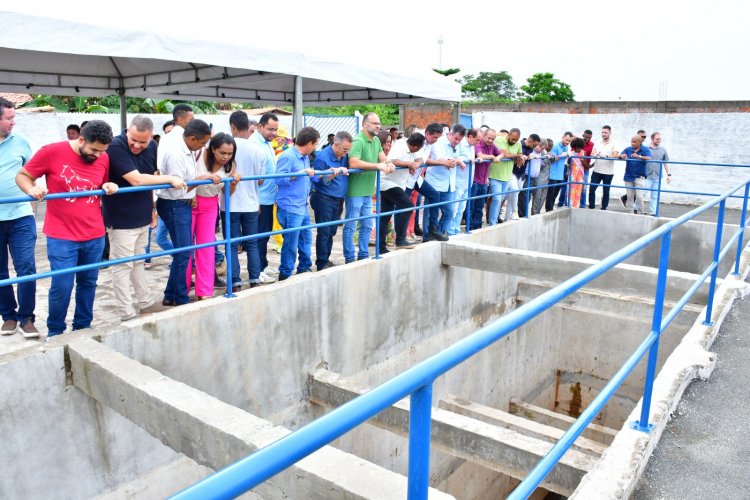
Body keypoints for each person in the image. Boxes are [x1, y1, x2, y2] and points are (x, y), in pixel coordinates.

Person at [16, 120, 119, 337]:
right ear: (81, 139)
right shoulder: (51, 151)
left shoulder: (103, 157)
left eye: (102, 151)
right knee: (62, 286)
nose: (98, 155)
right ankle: (56, 332)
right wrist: (32, 189)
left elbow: (102, 183)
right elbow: (23, 175)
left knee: (88, 283)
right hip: (62, 236)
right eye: (93, 150)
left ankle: (83, 327)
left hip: (94, 234)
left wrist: (108, 186)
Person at [103, 116, 185, 321]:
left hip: (142, 214)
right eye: (134, 140)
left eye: (143, 141)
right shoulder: (115, 146)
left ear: (151, 137)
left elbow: (150, 176)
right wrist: (170, 178)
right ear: (127, 132)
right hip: (121, 217)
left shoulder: (153, 147)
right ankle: (125, 311)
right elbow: (137, 179)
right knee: (122, 265)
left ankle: (145, 302)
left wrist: (152, 210)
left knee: (139, 261)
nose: (137, 145)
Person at [156, 119, 213, 306]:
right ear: (192, 138)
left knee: (183, 252)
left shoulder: (188, 150)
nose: (203, 146)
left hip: (180, 203)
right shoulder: (176, 153)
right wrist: (201, 179)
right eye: (202, 142)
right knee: (184, 252)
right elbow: (177, 187)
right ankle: (179, 296)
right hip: (175, 203)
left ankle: (171, 294)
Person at [0, 97, 38, 338]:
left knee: (26, 267)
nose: (14, 122)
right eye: (9, 118)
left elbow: (30, 173)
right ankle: (8, 315)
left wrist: (31, 194)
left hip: (21, 216)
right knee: (0, 271)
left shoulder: (20, 142)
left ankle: (27, 317)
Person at [188, 132, 238, 299]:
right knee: (186, 247)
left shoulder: (231, 166)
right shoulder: (198, 154)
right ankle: (183, 288)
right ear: (212, 149)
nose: (226, 157)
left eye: (230, 154)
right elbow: (186, 177)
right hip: (190, 202)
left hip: (210, 205)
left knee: (207, 248)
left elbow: (226, 192)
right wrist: (193, 192)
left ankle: (204, 291)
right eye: (222, 153)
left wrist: (233, 183)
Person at [344, 112, 395, 263]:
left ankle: (363, 254)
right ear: (365, 124)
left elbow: (383, 158)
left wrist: (389, 163)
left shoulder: (376, 141)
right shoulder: (358, 141)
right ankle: (349, 257)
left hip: (368, 190)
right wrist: (377, 166)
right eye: (375, 123)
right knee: (351, 225)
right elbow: (353, 162)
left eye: (379, 123)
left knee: (367, 224)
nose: (378, 126)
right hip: (355, 191)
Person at [224, 111, 264, 292]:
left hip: (229, 204)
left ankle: (235, 282)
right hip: (251, 203)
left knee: (231, 245)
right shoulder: (258, 149)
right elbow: (261, 180)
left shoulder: (226, 147)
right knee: (252, 243)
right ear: (248, 127)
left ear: (233, 126)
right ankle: (255, 279)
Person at [274, 127, 320, 280]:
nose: (315, 148)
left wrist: (330, 172)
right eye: (315, 144)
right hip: (290, 206)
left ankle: (304, 267)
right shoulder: (287, 156)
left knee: (306, 239)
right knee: (291, 243)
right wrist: (299, 174)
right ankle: (285, 273)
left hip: (302, 206)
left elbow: (309, 176)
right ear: (308, 143)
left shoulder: (305, 157)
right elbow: (279, 179)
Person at [311, 131, 351, 270]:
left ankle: (326, 258)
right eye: (345, 149)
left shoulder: (343, 155)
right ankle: (321, 262)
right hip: (324, 198)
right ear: (336, 144)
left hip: (338, 199)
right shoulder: (322, 157)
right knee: (324, 231)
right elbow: (318, 181)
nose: (346, 153)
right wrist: (333, 174)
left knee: (332, 230)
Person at [380, 132, 425, 252]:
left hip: (398, 184)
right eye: (420, 148)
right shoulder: (400, 146)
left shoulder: (414, 149)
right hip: (387, 182)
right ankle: (400, 240)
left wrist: (416, 164)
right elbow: (392, 160)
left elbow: (421, 158)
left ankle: (381, 247)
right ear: (415, 146)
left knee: (385, 215)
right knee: (408, 206)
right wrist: (408, 164)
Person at [251, 113, 279, 283]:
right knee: (259, 237)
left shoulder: (267, 143)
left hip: (268, 197)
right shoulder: (255, 145)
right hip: (259, 199)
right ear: (260, 127)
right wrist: (256, 201)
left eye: (275, 130)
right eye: (270, 129)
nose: (273, 133)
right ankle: (258, 270)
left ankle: (263, 264)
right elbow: (253, 176)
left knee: (265, 234)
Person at [404, 123, 444, 242]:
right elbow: (420, 158)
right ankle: (401, 236)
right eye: (435, 138)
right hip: (406, 178)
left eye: (438, 138)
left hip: (417, 178)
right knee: (404, 206)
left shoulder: (431, 142)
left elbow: (435, 157)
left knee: (434, 195)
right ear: (427, 134)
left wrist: (446, 161)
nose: (436, 140)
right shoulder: (418, 139)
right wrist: (441, 162)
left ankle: (433, 229)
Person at [426, 124, 466, 235]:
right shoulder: (439, 142)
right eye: (456, 138)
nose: (457, 141)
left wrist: (458, 160)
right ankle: (427, 235)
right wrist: (456, 161)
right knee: (430, 212)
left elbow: (462, 156)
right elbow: (441, 158)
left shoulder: (458, 145)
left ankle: (440, 233)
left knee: (449, 212)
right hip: (435, 182)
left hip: (449, 184)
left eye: (460, 139)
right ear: (450, 134)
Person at [448, 128, 482, 234]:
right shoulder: (460, 144)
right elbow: (455, 156)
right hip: (459, 181)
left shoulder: (472, 146)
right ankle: (450, 229)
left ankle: (456, 228)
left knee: (461, 208)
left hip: (467, 182)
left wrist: (477, 158)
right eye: (477, 140)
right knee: (454, 207)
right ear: (470, 136)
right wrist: (466, 159)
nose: (478, 143)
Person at [489, 128, 522, 224]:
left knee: (500, 200)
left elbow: (520, 154)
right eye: (513, 139)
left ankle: (494, 220)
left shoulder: (518, 144)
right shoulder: (499, 139)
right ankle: (492, 223)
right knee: (496, 199)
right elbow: (504, 154)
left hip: (507, 176)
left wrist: (521, 157)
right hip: (495, 175)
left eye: (516, 140)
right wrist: (517, 156)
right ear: (509, 135)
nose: (514, 141)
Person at [471, 128, 502, 229]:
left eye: (493, 139)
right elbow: (480, 155)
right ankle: (470, 227)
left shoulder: (492, 146)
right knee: (471, 206)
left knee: (480, 207)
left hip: (484, 181)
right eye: (489, 138)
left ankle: (477, 227)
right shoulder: (478, 144)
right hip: (474, 181)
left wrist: (498, 157)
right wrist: (493, 157)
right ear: (484, 135)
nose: (490, 140)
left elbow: (501, 154)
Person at [619, 135, 652, 214]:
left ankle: (641, 213)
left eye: (634, 142)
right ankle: (630, 212)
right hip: (628, 176)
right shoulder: (628, 149)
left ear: (640, 142)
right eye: (631, 141)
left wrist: (639, 156)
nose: (632, 143)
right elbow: (619, 155)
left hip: (639, 177)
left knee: (639, 196)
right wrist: (621, 156)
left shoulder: (644, 149)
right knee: (630, 196)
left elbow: (649, 158)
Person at [588, 125, 619, 210]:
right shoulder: (597, 142)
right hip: (597, 170)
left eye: (605, 132)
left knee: (606, 191)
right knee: (591, 189)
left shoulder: (614, 143)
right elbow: (592, 153)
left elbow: (615, 155)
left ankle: (604, 208)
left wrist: (605, 156)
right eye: (602, 132)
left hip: (608, 172)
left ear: (610, 133)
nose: (604, 134)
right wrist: (594, 154)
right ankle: (591, 207)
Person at [545, 132, 573, 212]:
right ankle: (548, 210)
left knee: (555, 194)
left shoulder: (566, 147)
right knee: (550, 194)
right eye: (566, 140)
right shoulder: (556, 146)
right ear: (562, 137)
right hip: (553, 174)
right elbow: (552, 160)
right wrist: (562, 155)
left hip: (560, 174)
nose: (567, 142)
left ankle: (551, 209)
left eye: (569, 141)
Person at [645, 132, 672, 216]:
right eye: (657, 139)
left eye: (660, 139)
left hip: (657, 175)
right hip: (647, 175)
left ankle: (653, 212)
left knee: (655, 196)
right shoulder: (645, 149)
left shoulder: (663, 150)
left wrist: (669, 174)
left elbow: (666, 162)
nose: (659, 141)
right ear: (652, 139)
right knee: (642, 193)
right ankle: (635, 208)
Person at [517, 134, 541, 218]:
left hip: (522, 174)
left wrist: (530, 156)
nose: (534, 147)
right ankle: (520, 214)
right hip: (514, 173)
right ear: (530, 141)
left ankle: (520, 214)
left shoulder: (531, 148)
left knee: (523, 194)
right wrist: (522, 156)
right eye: (534, 145)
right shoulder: (519, 144)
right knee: (514, 195)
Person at [531, 139, 553, 215]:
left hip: (546, 178)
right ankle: (534, 212)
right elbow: (539, 165)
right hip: (539, 178)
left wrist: (551, 157)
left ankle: (538, 211)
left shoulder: (546, 153)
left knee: (543, 196)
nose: (550, 148)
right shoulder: (538, 152)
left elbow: (552, 161)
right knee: (537, 196)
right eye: (549, 146)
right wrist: (547, 158)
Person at [568, 137, 586, 208]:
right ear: (573, 147)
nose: (578, 150)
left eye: (579, 148)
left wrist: (582, 161)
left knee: (578, 191)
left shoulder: (583, 152)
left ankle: (576, 206)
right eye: (576, 148)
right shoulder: (570, 153)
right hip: (572, 173)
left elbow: (584, 164)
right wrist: (567, 171)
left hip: (580, 174)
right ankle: (570, 206)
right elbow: (568, 164)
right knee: (571, 190)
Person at [579, 130, 594, 208]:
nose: (587, 139)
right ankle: (569, 203)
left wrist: (592, 164)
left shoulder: (592, 145)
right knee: (573, 186)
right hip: (576, 169)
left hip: (585, 169)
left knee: (584, 188)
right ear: (583, 135)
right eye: (586, 137)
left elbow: (595, 154)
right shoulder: (578, 143)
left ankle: (582, 205)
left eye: (589, 137)